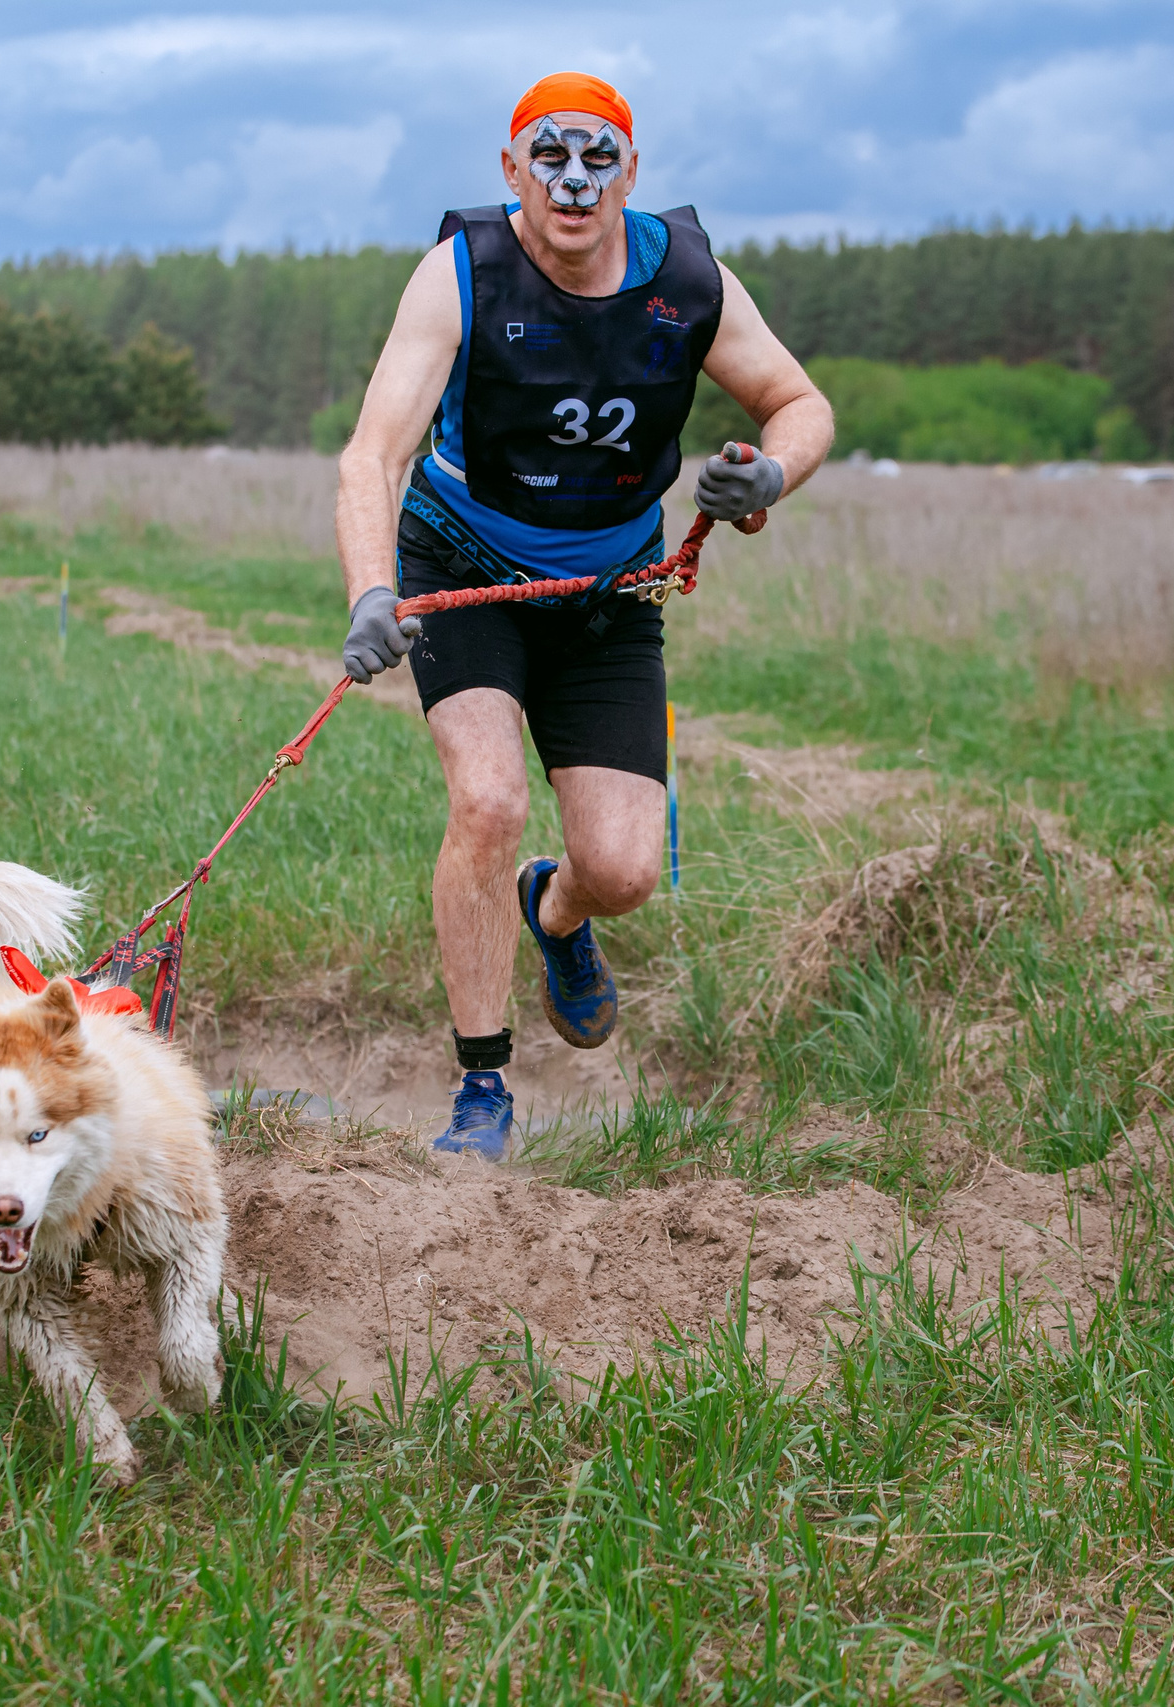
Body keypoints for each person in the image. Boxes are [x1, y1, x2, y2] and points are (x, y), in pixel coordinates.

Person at [334, 72, 834, 1161]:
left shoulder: (687, 279)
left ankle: (553, 912)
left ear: (631, 172)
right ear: (511, 171)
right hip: (463, 566)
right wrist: (373, 591)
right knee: (488, 801)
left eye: (597, 159)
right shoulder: (461, 271)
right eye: (548, 159)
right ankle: (482, 1088)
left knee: (622, 872)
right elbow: (372, 455)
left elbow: (800, 402)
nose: (573, 182)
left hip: (609, 594)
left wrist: (770, 475)